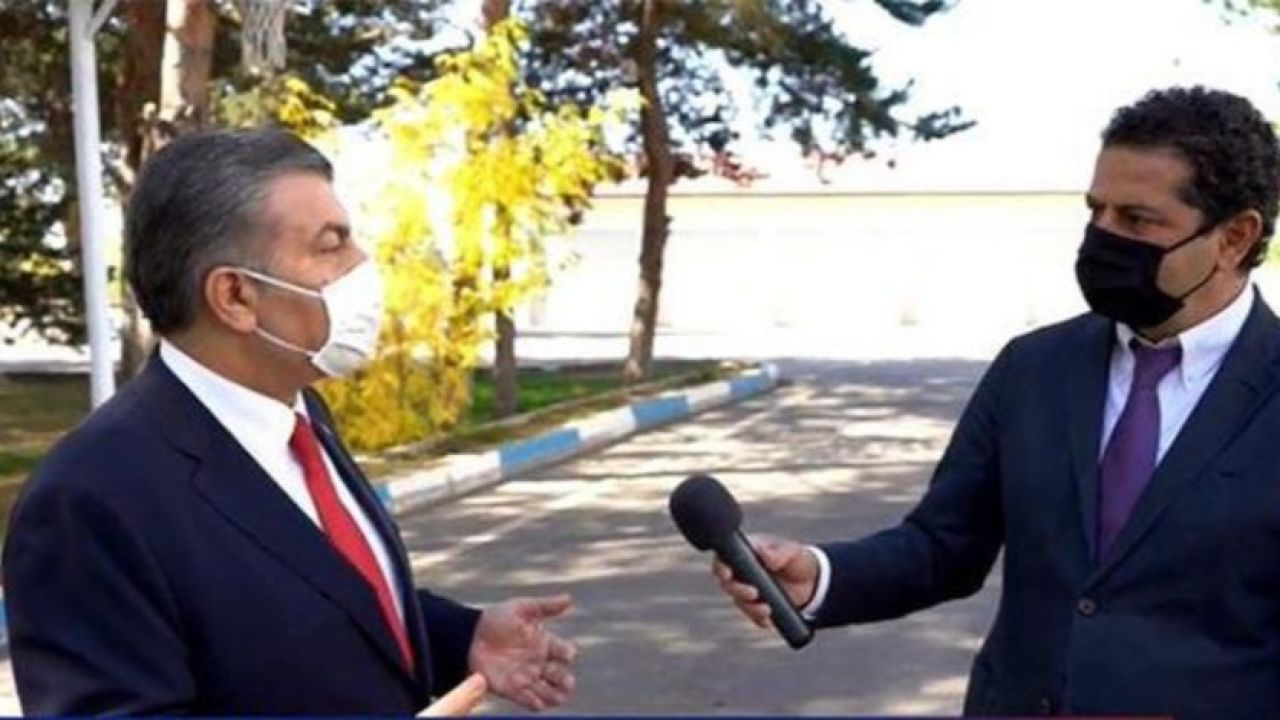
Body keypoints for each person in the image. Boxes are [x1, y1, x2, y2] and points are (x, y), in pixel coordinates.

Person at [711, 86, 1280, 720]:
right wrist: (819, 575)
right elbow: (943, 545)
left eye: (1137, 220)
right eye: (1096, 211)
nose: (1103, 236)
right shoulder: (1034, 367)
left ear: (1235, 237)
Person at [3, 128, 577, 715]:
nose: (362, 265)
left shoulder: (298, 413)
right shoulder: (90, 499)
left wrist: (462, 637)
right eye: (332, 246)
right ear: (235, 296)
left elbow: (312, 603)